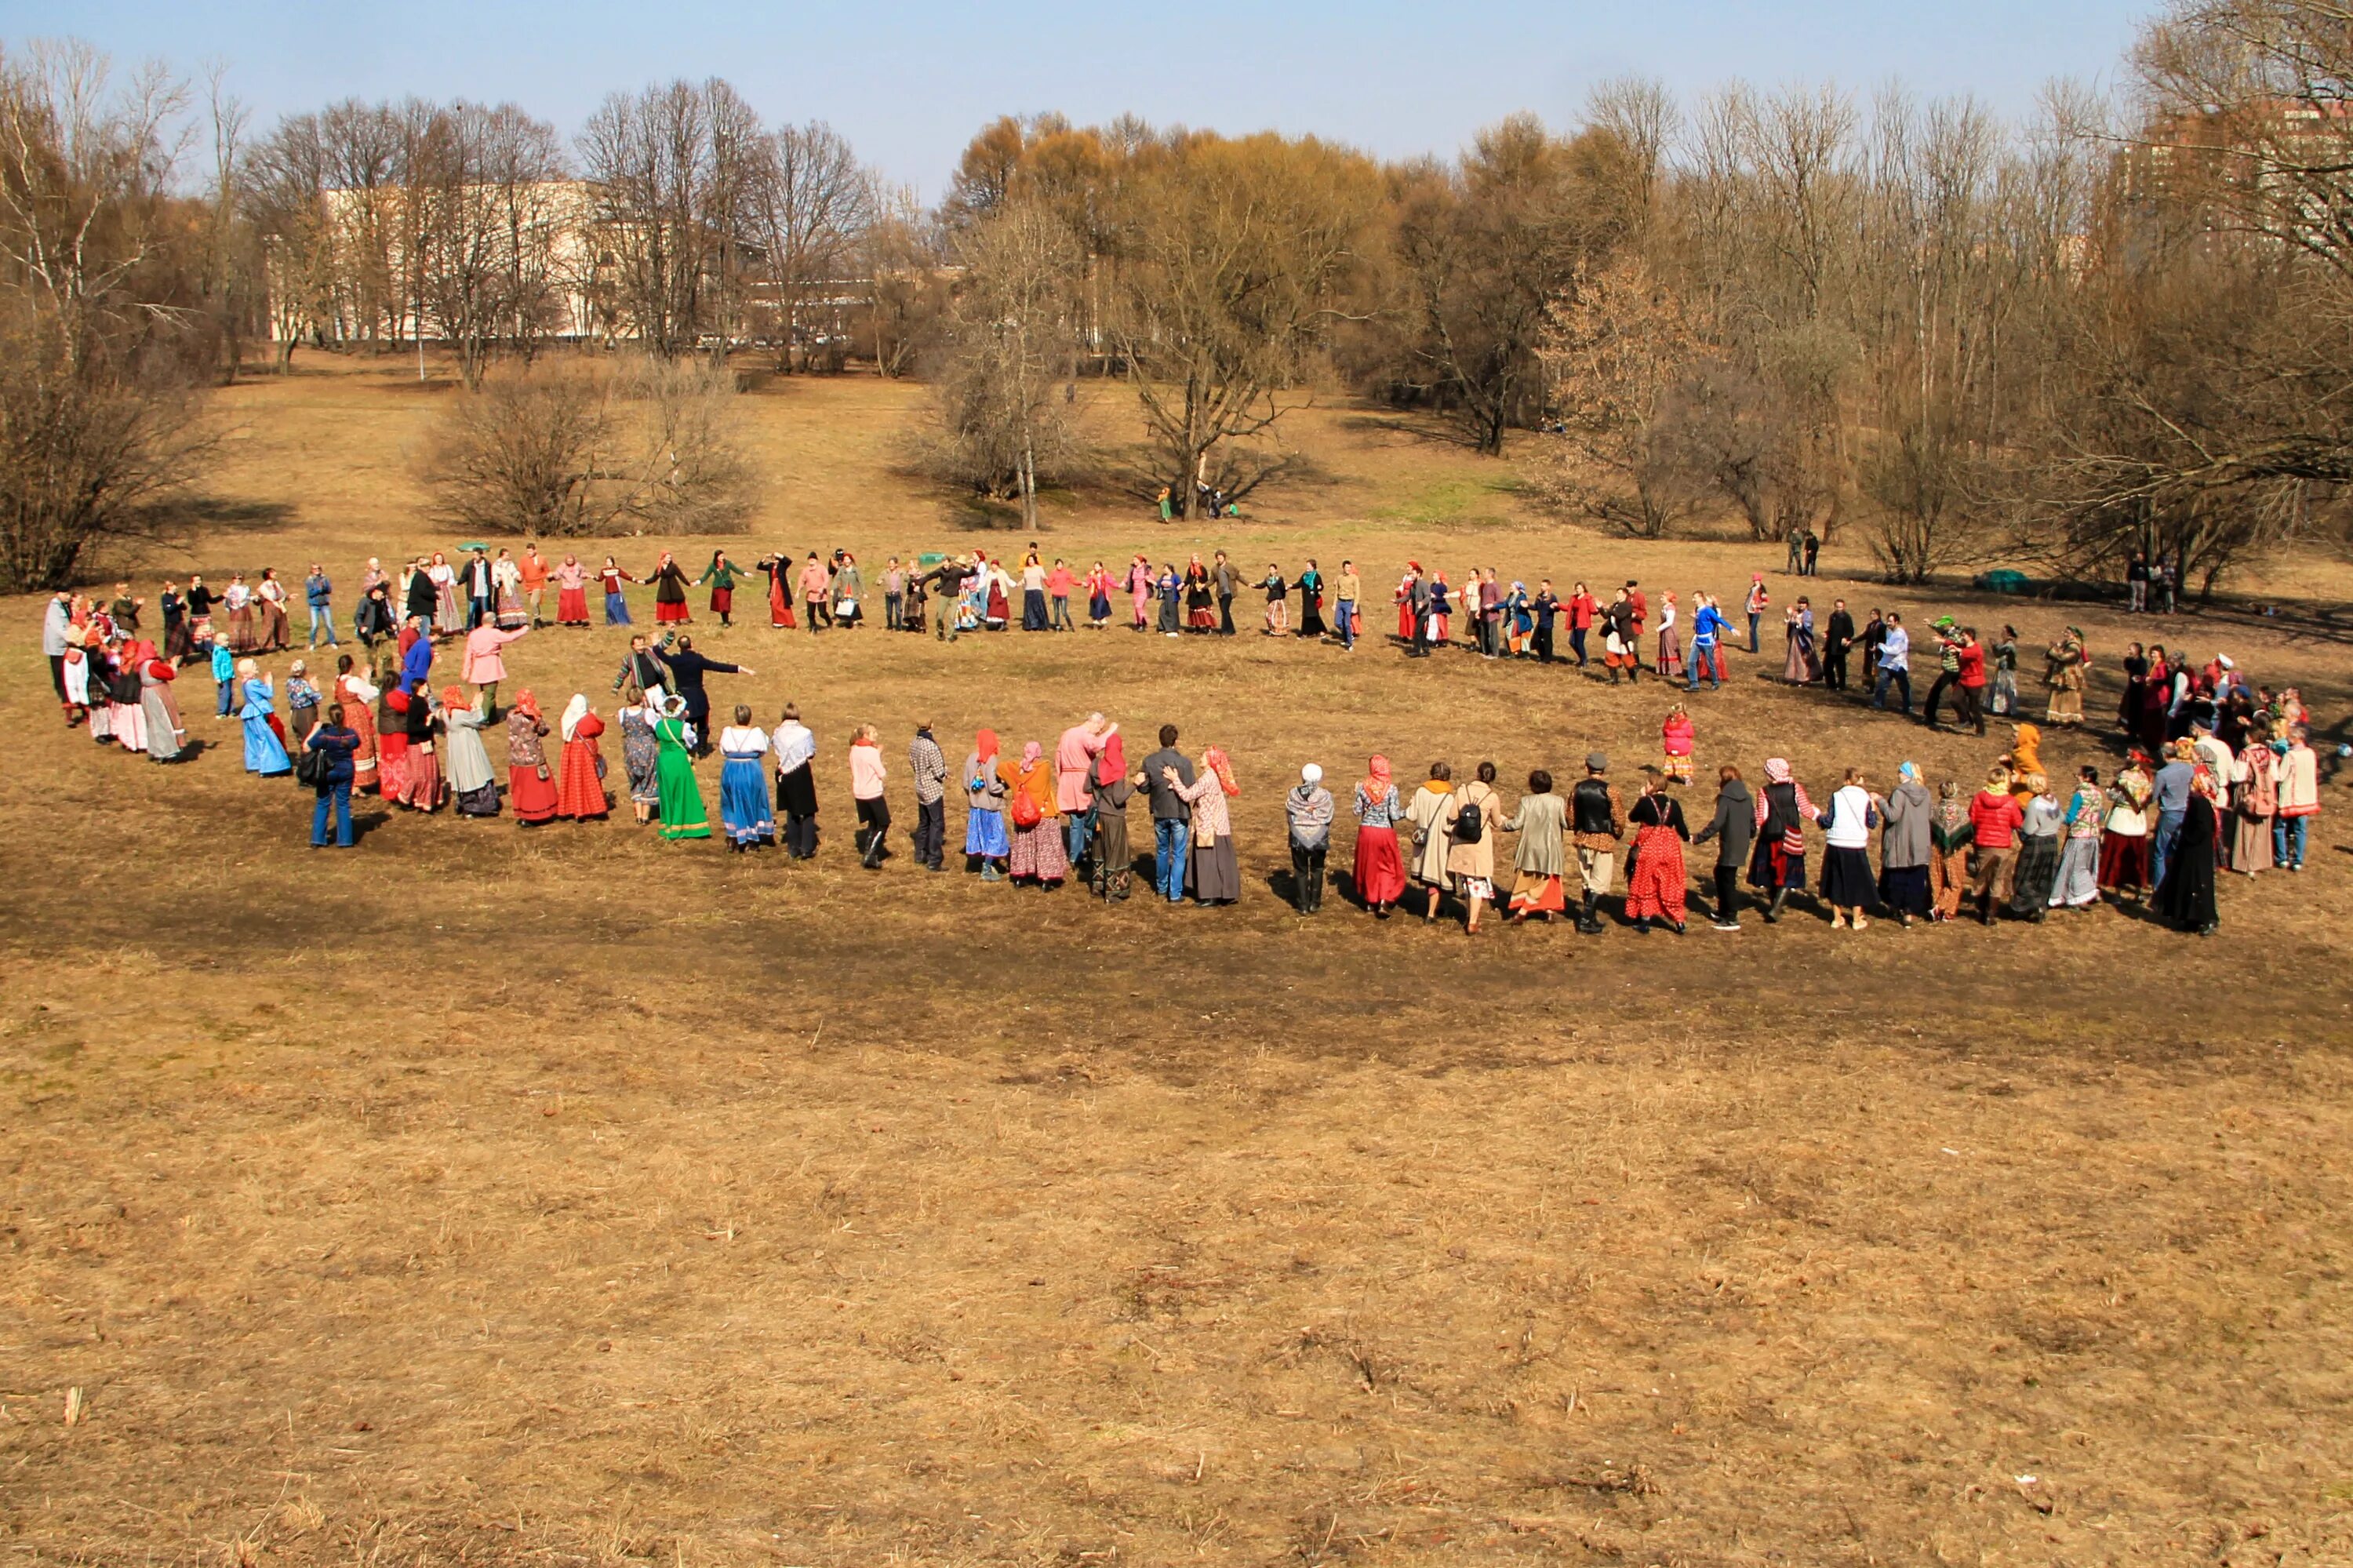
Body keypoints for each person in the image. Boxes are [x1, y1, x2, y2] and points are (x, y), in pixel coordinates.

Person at [656, 636, 751, 757]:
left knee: (685, 724)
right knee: (703, 726)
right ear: (692, 644)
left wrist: (655, 645)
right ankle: (702, 750)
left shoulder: (675, 660)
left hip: (682, 698)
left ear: (679, 647)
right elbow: (717, 666)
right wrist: (738, 668)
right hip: (698, 697)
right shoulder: (697, 659)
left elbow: (661, 654)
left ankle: (687, 747)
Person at [2153, 764, 2220, 934]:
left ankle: (2205, 919)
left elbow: (2204, 829)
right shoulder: (2195, 801)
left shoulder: (2200, 803)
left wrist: (2188, 837)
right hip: (2190, 851)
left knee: (2198, 885)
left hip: (2197, 852)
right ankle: (2188, 917)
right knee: (2186, 883)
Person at [1748, 758, 1817, 923]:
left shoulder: (1764, 792)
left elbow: (1762, 816)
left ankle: (1774, 905)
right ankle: (1777, 908)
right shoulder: (1795, 788)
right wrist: (1820, 818)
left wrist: (1752, 828)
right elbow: (1806, 809)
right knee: (1789, 871)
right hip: (1791, 836)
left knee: (1771, 873)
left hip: (1769, 837)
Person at [1624, 766, 1692, 934]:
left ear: (1652, 785)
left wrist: (1642, 798)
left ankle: (1645, 920)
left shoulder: (1646, 802)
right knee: (1670, 883)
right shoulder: (1674, 804)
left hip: (1650, 847)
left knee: (1646, 882)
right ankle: (1679, 921)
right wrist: (1687, 838)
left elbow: (1632, 817)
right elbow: (1682, 827)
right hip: (1669, 847)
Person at [1495, 769, 1567, 922]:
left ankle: (1527, 909)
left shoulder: (1526, 801)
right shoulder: (1558, 801)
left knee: (1528, 878)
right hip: (1551, 847)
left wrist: (1503, 823)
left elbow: (1516, 824)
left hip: (1530, 847)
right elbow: (1567, 823)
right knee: (1548, 878)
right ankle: (1543, 910)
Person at [1690, 765, 1755, 931]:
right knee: (1721, 874)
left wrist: (1699, 838)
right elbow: (1752, 820)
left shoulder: (1725, 797)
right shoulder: (1747, 796)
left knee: (1727, 880)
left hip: (1730, 843)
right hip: (1742, 843)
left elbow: (1717, 823)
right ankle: (1724, 911)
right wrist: (1750, 834)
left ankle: (1731, 917)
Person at [1345, 755, 1408, 917]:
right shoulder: (1391, 789)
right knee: (1387, 866)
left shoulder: (1362, 787)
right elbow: (1394, 815)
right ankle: (1384, 900)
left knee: (1369, 866)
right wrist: (1408, 812)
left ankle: (1370, 901)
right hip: (1385, 832)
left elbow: (1356, 811)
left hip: (1366, 831)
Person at [1569, 753, 1625, 933]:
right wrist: (1616, 833)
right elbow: (1619, 818)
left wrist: (1576, 829)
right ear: (1604, 770)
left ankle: (1590, 918)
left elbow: (1570, 816)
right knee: (1599, 884)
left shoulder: (1576, 789)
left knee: (1587, 882)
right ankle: (1586, 920)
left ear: (1587, 768)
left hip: (1583, 838)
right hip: (1603, 840)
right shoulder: (1611, 791)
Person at [1818, 767, 1878, 930]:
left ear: (1846, 781)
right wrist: (1873, 808)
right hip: (1856, 844)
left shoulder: (1837, 796)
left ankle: (1837, 918)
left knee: (1835, 880)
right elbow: (1872, 823)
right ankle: (1857, 919)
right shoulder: (1865, 797)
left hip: (1836, 842)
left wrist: (1819, 818)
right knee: (1857, 882)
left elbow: (1828, 820)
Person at [1966, 766, 2026, 924]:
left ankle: (1980, 910)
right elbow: (2018, 822)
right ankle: (1991, 915)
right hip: (2002, 844)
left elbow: (1972, 819)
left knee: (1982, 876)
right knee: (1997, 879)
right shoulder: (2011, 801)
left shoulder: (1979, 797)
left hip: (1983, 843)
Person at [1142, 725, 1195, 901]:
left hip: (1159, 811)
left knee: (1162, 851)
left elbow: (1143, 787)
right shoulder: (1185, 763)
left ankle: (1162, 888)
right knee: (1179, 853)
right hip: (1179, 812)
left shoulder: (1149, 761)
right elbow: (1190, 788)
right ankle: (1175, 892)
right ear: (1175, 741)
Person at [1403, 762, 1460, 923]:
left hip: (1422, 840)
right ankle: (1431, 913)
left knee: (1427, 874)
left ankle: (1434, 908)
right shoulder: (1449, 798)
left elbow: (1411, 815)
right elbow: (1447, 826)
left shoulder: (1421, 791)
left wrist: (1411, 803)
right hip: (1440, 843)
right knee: (1435, 875)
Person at [1877, 762, 1933, 926]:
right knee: (1916, 878)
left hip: (1900, 843)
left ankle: (1897, 907)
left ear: (1907, 774)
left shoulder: (1899, 793)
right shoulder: (1926, 793)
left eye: (1900, 772)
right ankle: (1910, 912)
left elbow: (1893, 815)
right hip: (1920, 843)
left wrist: (1880, 801)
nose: (1898, 775)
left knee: (1898, 877)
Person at [710, 705, 773, 850]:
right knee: (752, 800)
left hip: (731, 769)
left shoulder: (727, 732)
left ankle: (734, 837)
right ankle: (751, 839)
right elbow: (764, 748)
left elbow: (723, 749)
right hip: (750, 768)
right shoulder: (756, 733)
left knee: (731, 801)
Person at [651, 697, 710, 841]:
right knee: (682, 791)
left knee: (668, 791)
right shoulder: (683, 727)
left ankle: (669, 824)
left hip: (664, 761)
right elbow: (692, 742)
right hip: (678, 761)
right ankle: (684, 824)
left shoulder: (658, 725)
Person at [303, 703, 359, 846]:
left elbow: (306, 747)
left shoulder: (324, 735)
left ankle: (318, 839)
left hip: (327, 771)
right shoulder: (351, 734)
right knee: (343, 804)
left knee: (323, 803)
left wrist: (315, 729)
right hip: (346, 771)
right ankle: (345, 840)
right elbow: (357, 743)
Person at [1089, 730, 1135, 900]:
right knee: (1116, 852)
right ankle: (1113, 891)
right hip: (1114, 816)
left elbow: (1087, 788)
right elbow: (1118, 799)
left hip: (1099, 815)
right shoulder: (1118, 768)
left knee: (1100, 850)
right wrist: (1134, 786)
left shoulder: (1096, 765)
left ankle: (1098, 885)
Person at [441, 687, 500, 817]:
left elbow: (468, 717)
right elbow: (478, 719)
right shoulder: (458, 714)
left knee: (464, 775)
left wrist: (472, 704)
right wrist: (478, 706)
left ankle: (463, 803)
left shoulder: (446, 712)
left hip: (456, 749)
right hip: (467, 747)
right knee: (475, 772)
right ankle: (479, 807)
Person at [1285, 764, 1334, 913]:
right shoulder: (1325, 795)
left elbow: (1289, 814)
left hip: (1298, 837)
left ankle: (1303, 905)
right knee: (1317, 869)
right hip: (1319, 837)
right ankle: (1315, 903)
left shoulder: (1293, 794)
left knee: (1300, 871)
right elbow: (1328, 817)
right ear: (1320, 777)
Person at [771, 705, 819, 859]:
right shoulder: (805, 733)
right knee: (808, 811)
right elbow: (811, 752)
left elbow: (776, 750)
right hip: (801, 772)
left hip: (784, 772)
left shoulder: (778, 733)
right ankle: (806, 847)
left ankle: (793, 848)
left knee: (791, 810)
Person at [964, 728, 1012, 880]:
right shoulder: (991, 760)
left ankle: (983, 863)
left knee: (981, 836)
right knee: (995, 837)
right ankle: (987, 868)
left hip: (976, 806)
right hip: (990, 807)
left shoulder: (971, 758)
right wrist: (1005, 786)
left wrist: (973, 796)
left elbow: (966, 783)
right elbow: (992, 786)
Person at [506, 690, 559, 826]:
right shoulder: (533, 717)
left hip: (516, 757)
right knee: (536, 788)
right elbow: (544, 730)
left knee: (521, 787)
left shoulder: (511, 715)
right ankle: (538, 814)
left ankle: (523, 814)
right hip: (533, 758)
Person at [2150, 740, 2195, 892]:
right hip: (2186, 812)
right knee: (2179, 850)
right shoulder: (2189, 769)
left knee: (2160, 852)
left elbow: (2153, 796)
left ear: (2164, 755)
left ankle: (2159, 887)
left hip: (2170, 813)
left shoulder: (2162, 774)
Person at [461, 618, 528, 719]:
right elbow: (510, 637)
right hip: (490, 666)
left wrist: (466, 669)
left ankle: (492, 717)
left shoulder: (473, 634)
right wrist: (524, 629)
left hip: (478, 666)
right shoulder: (494, 633)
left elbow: (468, 653)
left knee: (484, 692)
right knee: (489, 694)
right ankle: (484, 718)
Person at [2231, 733, 2278, 875]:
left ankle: (2244, 862)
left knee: (2246, 827)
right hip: (2266, 794)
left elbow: (2237, 776)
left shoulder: (2245, 754)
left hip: (2248, 792)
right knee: (2261, 828)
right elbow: (2276, 775)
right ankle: (2258, 862)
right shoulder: (2270, 753)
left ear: (2250, 737)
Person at [2275, 726, 2318, 871]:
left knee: (2280, 827)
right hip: (2306, 798)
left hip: (2290, 798)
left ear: (2297, 738)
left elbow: (2280, 776)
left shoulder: (2290, 756)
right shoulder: (2311, 753)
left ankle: (2282, 858)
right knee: (2301, 830)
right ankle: (2298, 860)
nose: (2287, 739)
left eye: (2290, 737)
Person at [849, 724, 892, 868]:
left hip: (859, 793)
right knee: (884, 823)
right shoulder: (871, 752)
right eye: (873, 732)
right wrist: (877, 754)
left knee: (873, 824)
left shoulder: (854, 750)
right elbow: (881, 773)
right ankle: (871, 855)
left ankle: (868, 851)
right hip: (873, 793)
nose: (876, 734)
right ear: (865, 735)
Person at [238, 660, 291, 777]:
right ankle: (271, 767)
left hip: (249, 713)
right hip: (259, 713)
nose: (257, 667)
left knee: (253, 740)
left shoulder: (244, 682)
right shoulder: (254, 683)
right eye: (254, 665)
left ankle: (254, 763)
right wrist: (269, 682)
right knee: (267, 739)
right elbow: (269, 693)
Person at [909, 722, 949, 871]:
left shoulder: (914, 743)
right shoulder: (931, 746)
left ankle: (920, 854)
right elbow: (939, 771)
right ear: (932, 725)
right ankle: (934, 860)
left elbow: (912, 763)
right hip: (932, 790)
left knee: (924, 823)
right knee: (937, 824)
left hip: (920, 787)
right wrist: (946, 772)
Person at [1871, 613, 1912, 714]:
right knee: (1881, 686)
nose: (1888, 623)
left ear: (1896, 622)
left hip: (1898, 666)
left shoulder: (1900, 635)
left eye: (1891, 621)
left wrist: (1881, 646)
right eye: (1888, 621)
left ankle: (1908, 707)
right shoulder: (1889, 632)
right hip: (1887, 664)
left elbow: (1894, 651)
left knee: (1903, 687)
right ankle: (1878, 704)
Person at [646, 551, 689, 628]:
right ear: (663, 558)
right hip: (664, 587)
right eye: (668, 558)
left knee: (676, 602)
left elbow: (680, 576)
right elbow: (654, 578)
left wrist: (688, 583)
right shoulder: (659, 567)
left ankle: (677, 619)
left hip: (673, 587)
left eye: (670, 558)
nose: (669, 559)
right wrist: (645, 582)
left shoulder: (673, 566)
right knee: (662, 602)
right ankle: (662, 620)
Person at [1782, 598, 1819, 684]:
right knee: (1794, 657)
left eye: (1803, 603)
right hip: (1795, 638)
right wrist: (1789, 619)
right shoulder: (1795, 613)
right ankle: (1794, 676)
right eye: (1800, 603)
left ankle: (1804, 678)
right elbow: (1790, 623)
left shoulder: (1808, 614)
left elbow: (1808, 626)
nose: (1801, 605)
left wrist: (1800, 623)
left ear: (1807, 604)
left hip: (1803, 639)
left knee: (1802, 658)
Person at [1821, 599, 1853, 691]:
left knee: (1840, 667)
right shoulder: (1832, 616)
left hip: (1840, 647)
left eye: (1840, 607)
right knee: (1827, 665)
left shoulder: (1846, 617)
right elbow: (1831, 629)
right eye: (1837, 607)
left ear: (1844, 607)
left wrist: (1846, 638)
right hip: (1831, 645)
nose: (1839, 609)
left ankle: (1841, 685)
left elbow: (1850, 631)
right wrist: (1827, 633)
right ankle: (1831, 684)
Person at [304, 564, 336, 647]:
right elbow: (310, 593)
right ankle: (312, 643)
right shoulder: (309, 580)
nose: (317, 570)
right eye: (315, 569)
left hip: (325, 604)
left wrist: (324, 587)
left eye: (318, 568)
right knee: (315, 626)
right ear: (312, 570)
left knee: (329, 624)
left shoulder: (324, 578)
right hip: (314, 605)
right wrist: (319, 590)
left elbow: (329, 590)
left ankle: (332, 642)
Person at [1661, 703, 1695, 785]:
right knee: (1684, 765)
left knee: (1669, 762)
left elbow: (1665, 733)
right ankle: (1687, 779)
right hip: (1682, 749)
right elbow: (1691, 734)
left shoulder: (1668, 722)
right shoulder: (1686, 723)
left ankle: (1665, 776)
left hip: (1670, 748)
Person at [598, 558, 637, 627]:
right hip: (608, 593)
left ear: (613, 562)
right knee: (609, 608)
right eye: (607, 562)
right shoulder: (604, 571)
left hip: (616, 592)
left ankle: (622, 621)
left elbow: (625, 576)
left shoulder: (617, 570)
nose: (608, 563)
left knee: (613, 607)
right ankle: (611, 622)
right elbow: (600, 579)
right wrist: (592, 577)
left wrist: (634, 579)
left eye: (610, 562)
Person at [1744, 575, 1769, 653]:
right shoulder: (1752, 589)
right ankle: (1753, 647)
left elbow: (1766, 602)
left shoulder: (1762, 590)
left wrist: (1758, 606)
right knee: (1751, 630)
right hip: (1750, 611)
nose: (1755, 582)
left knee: (1752, 630)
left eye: (1756, 580)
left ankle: (1755, 649)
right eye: (1754, 581)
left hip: (1756, 612)